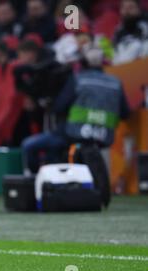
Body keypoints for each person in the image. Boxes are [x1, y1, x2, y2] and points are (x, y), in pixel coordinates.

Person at [22, 46, 130, 175]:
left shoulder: (78, 79)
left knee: (29, 145)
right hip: (104, 137)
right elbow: (125, 113)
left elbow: (60, 106)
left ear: (83, 62)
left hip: (73, 135)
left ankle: (37, 178)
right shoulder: (116, 82)